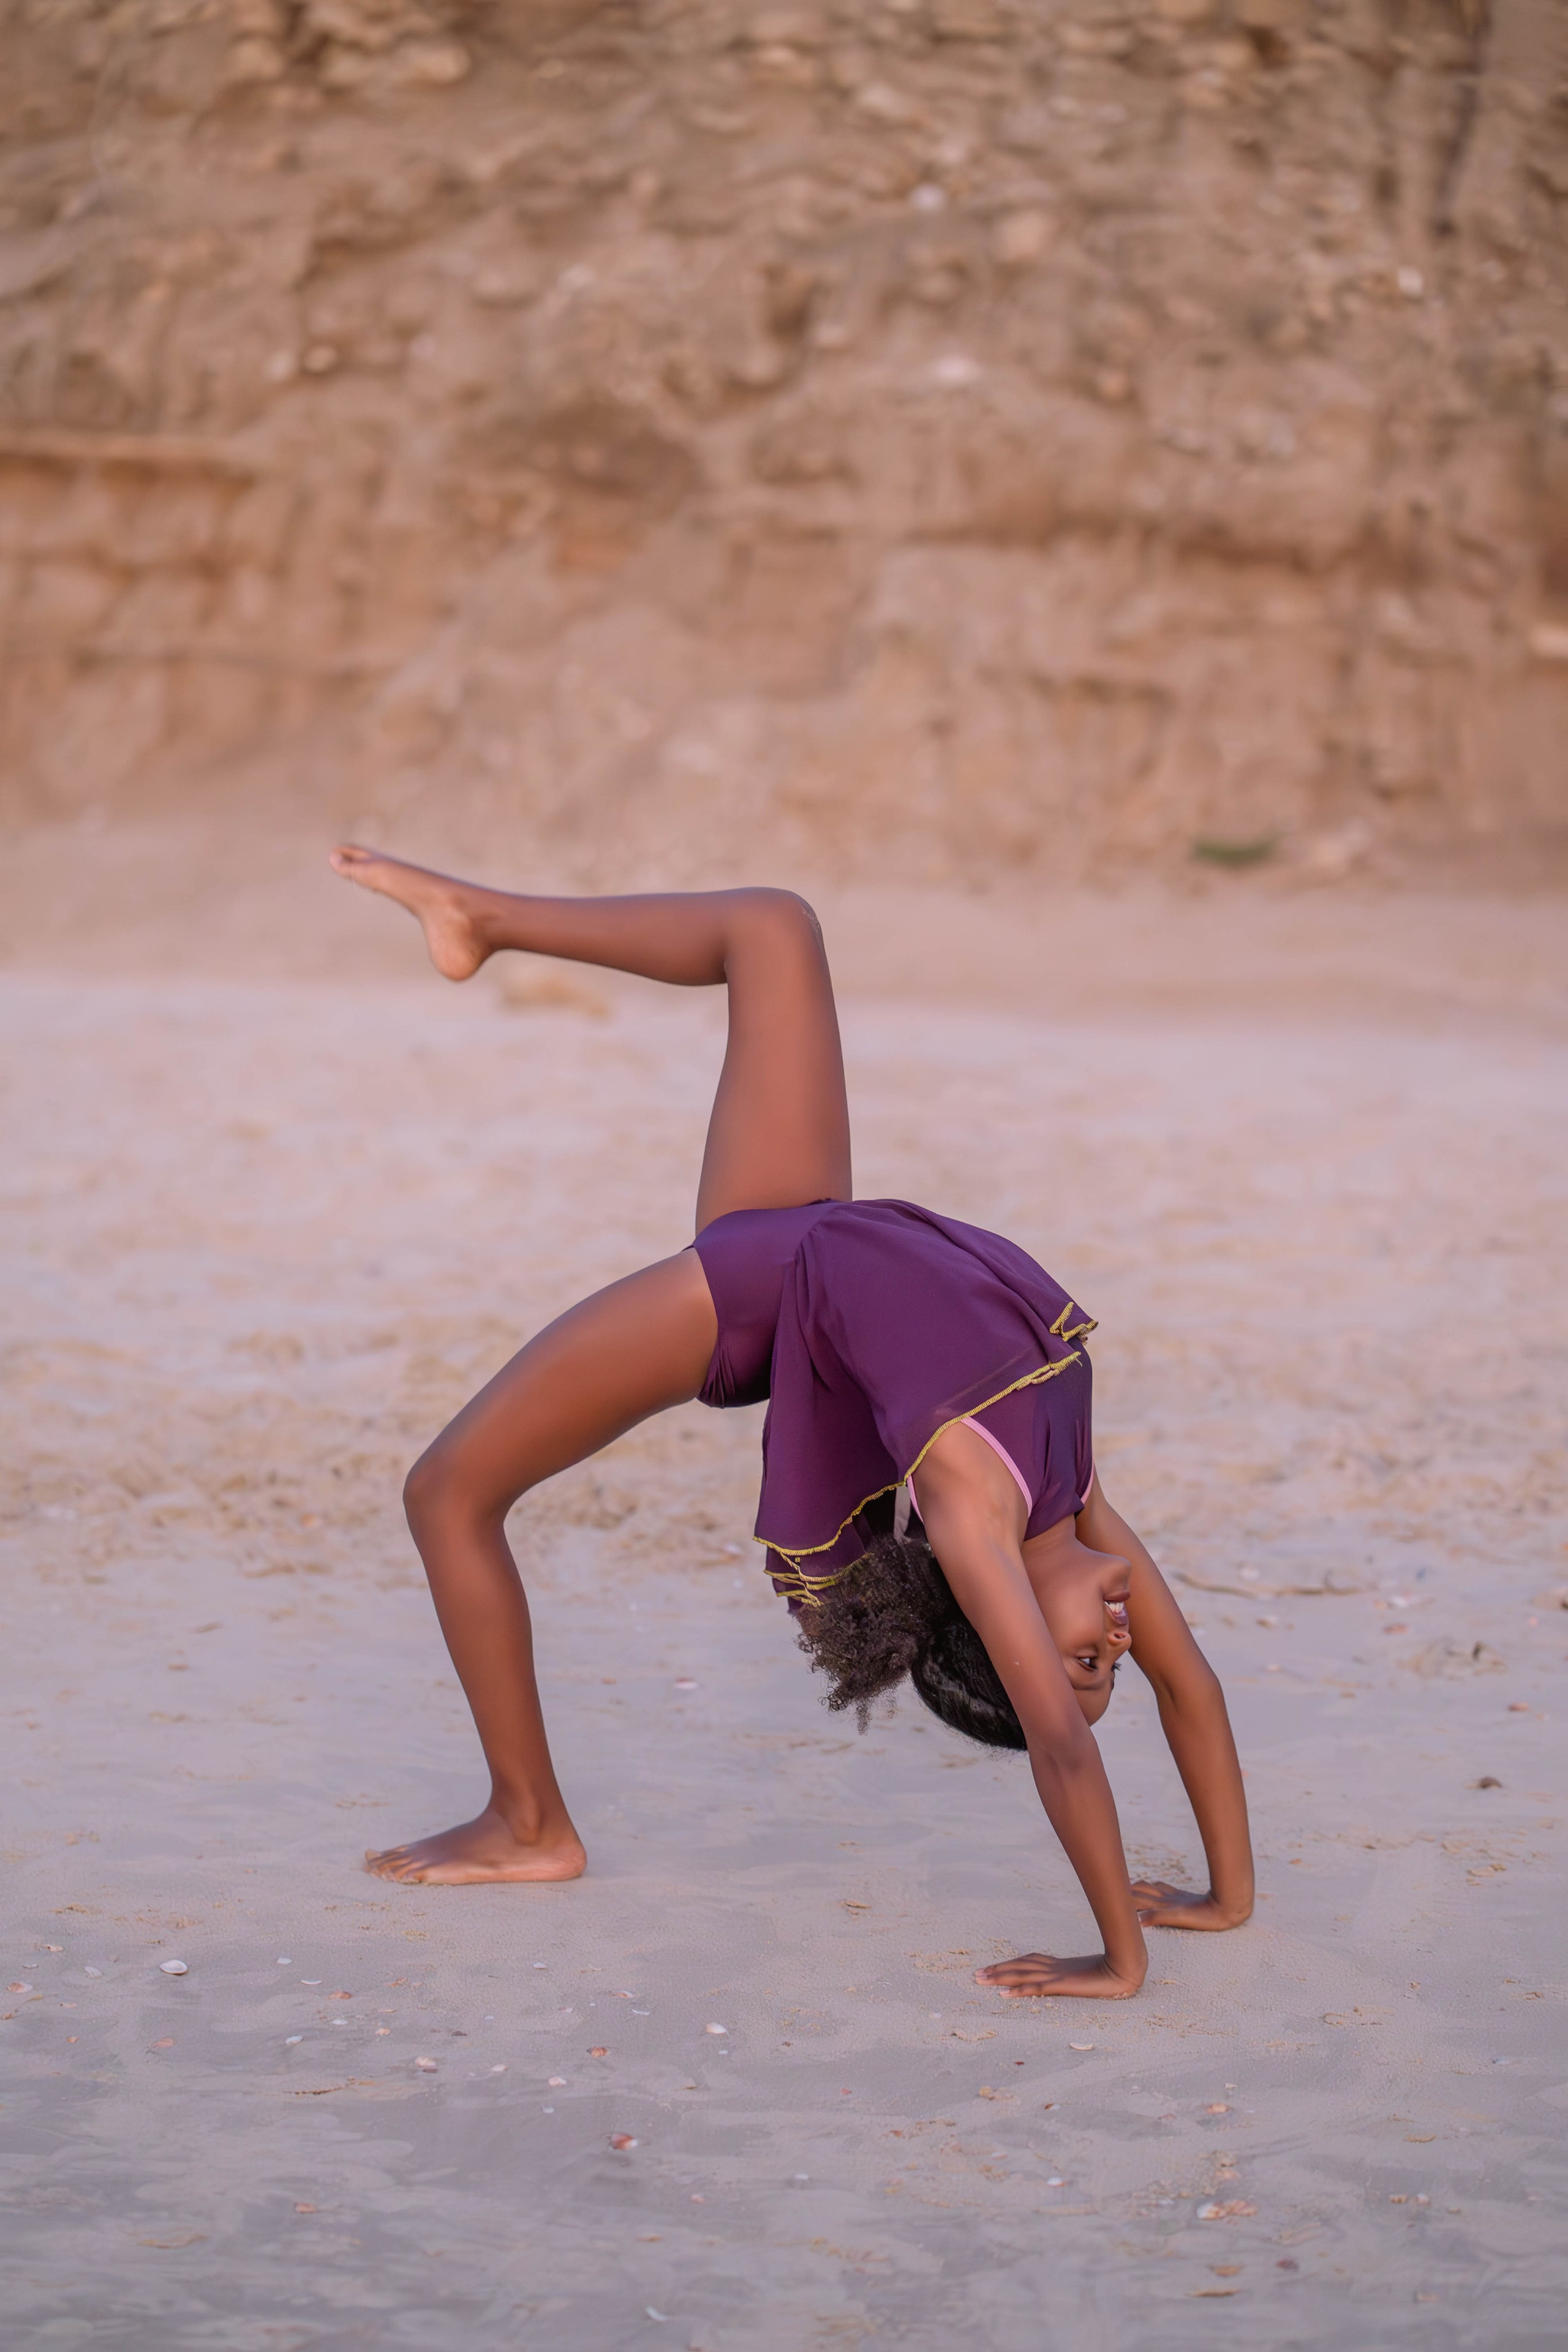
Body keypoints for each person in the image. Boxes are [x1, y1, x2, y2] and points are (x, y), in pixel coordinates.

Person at [327, 849, 1254, 2000]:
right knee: (773, 925)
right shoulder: (1072, 1495)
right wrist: (1227, 1897)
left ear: (995, 1613)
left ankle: (528, 1822)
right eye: (1109, 1658)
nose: (1118, 1637)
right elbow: (1193, 1687)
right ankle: (481, 917)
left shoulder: (978, 1507)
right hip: (800, 1229)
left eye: (1081, 1657)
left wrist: (1119, 1961)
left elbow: (1064, 1747)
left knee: (447, 1492)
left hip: (744, 1302)